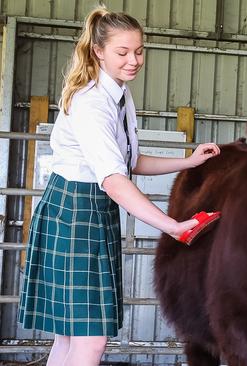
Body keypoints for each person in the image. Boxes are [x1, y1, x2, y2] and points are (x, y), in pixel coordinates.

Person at [18, 7, 220, 365]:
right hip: (75, 212)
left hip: (89, 211)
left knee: (69, 338)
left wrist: (188, 161)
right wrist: (171, 226)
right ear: (98, 51)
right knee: (91, 341)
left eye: (139, 51)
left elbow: (130, 162)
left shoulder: (120, 95)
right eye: (122, 52)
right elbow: (114, 181)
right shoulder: (93, 103)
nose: (134, 61)